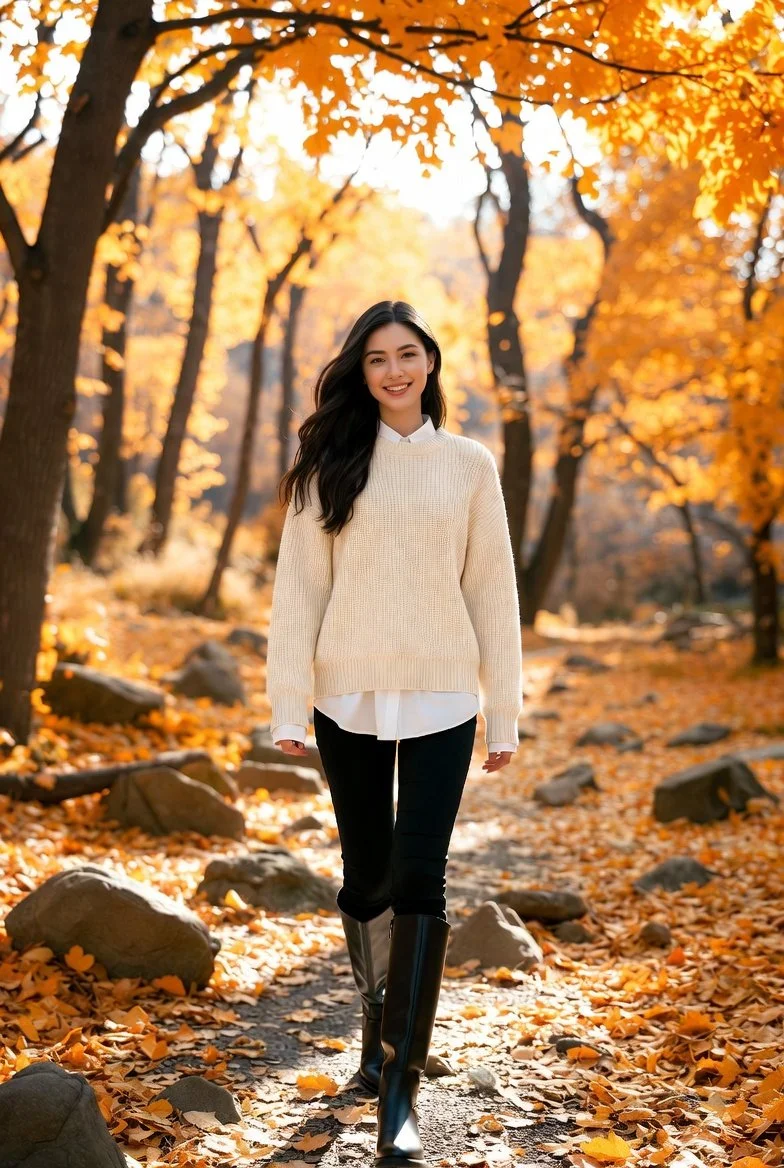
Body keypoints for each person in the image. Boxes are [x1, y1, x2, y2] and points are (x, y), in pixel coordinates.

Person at [265, 300, 523, 1168]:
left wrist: (505, 709)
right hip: (350, 697)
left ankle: (401, 1090)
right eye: (376, 359)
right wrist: (287, 706)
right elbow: (297, 592)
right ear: (361, 372)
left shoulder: (468, 465)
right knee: (366, 874)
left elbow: (494, 591)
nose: (394, 371)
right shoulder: (330, 465)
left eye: (407, 354)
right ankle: (381, 1029)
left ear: (431, 362)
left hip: (447, 696)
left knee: (422, 878)